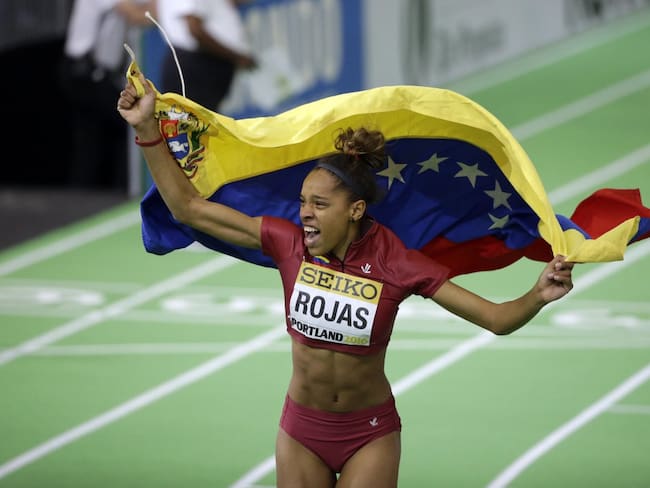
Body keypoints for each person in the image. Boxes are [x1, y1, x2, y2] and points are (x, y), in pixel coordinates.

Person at [117, 74, 575, 488]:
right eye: (303, 202)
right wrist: (146, 129)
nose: (305, 214)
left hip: (368, 434)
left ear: (355, 210)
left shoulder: (398, 262)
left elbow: (495, 319)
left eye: (319, 205)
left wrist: (538, 295)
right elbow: (188, 209)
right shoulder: (287, 243)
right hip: (301, 430)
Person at [59, 0, 155, 189]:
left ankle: (108, 189)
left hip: (101, 73)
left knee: (93, 138)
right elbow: (137, 15)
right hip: (83, 71)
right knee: (125, 121)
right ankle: (112, 190)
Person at [156, 0, 256, 111]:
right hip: (195, 67)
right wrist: (237, 57)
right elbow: (195, 30)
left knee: (201, 118)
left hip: (201, 64)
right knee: (193, 119)